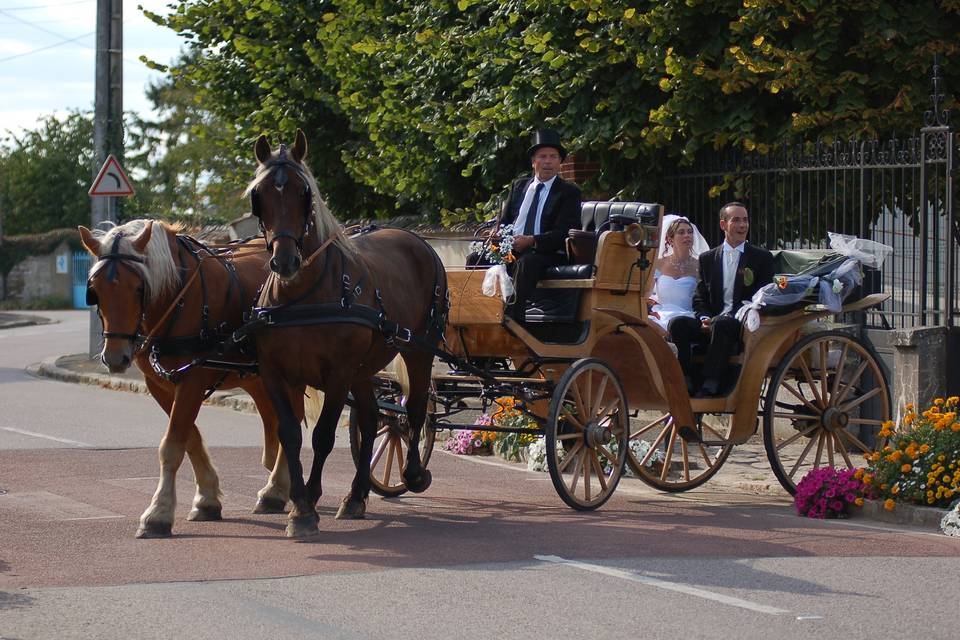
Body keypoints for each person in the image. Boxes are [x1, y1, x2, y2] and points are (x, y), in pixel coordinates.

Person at [470, 129, 582, 323]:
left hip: (547, 253)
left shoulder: (568, 192)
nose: (548, 161)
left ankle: (513, 321)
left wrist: (532, 241)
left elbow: (563, 232)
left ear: (560, 163)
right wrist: (495, 234)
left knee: (526, 263)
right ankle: (476, 317)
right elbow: (505, 222)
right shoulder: (519, 186)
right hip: (512, 249)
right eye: (543, 156)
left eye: (553, 157)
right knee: (475, 258)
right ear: (533, 162)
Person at [668, 202, 775, 397]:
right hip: (712, 322)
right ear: (723, 225)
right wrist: (702, 318)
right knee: (677, 324)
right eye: (736, 220)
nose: (742, 225)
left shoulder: (762, 258)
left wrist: (731, 316)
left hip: (741, 324)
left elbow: (762, 298)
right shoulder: (708, 259)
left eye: (745, 220)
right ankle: (684, 378)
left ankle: (711, 382)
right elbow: (699, 297)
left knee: (722, 323)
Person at [646, 215, 710, 334]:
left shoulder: (700, 265)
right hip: (662, 314)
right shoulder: (659, 264)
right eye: (681, 232)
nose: (687, 235)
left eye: (690, 232)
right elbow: (646, 293)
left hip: (688, 315)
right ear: (670, 240)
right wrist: (649, 307)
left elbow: (704, 296)